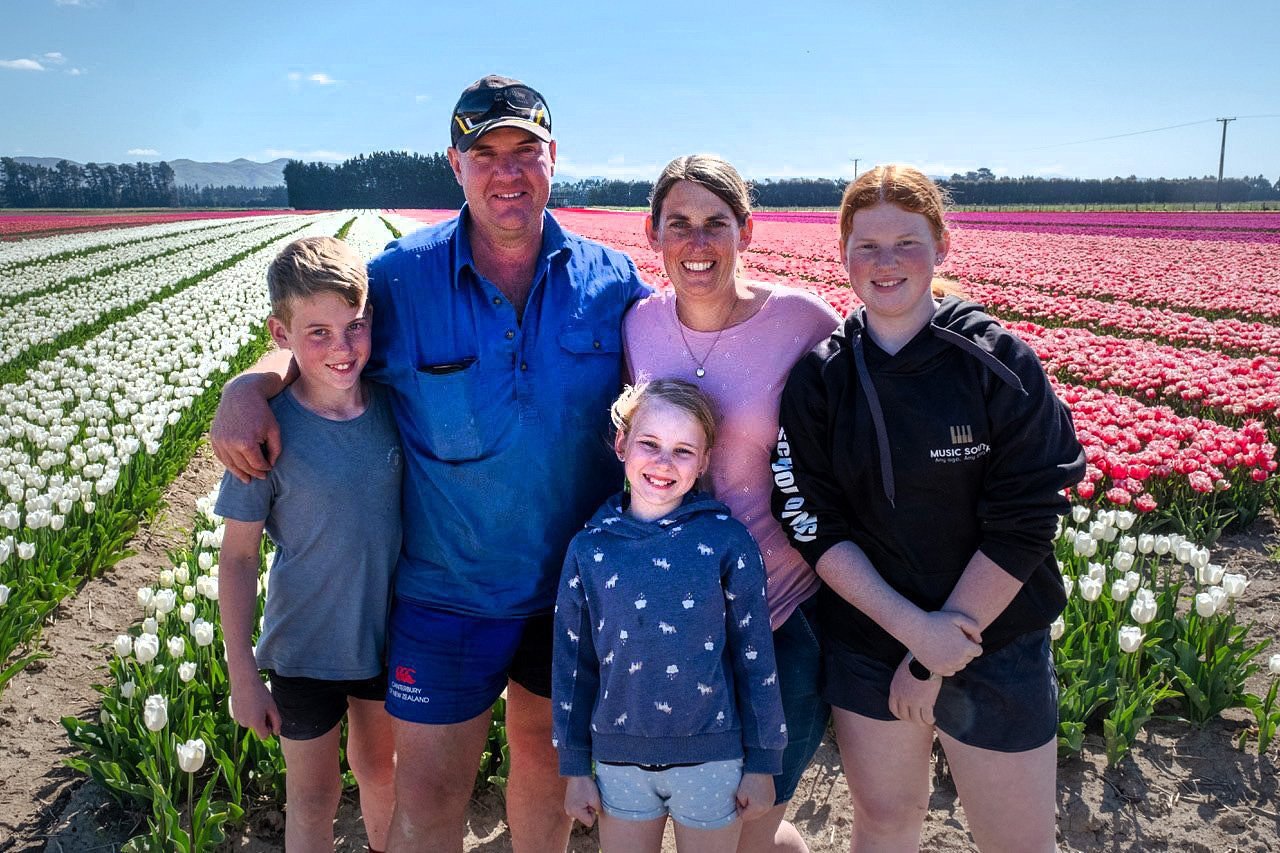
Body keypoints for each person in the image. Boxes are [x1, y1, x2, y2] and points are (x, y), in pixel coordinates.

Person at [210, 76, 650, 852]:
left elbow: (683, 360)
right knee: (431, 797)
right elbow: (328, 347)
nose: (507, 171)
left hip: (566, 592)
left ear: (556, 158)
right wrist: (250, 385)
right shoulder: (401, 281)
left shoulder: (609, 283)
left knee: (544, 789)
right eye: (485, 153)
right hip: (446, 593)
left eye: (526, 151)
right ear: (454, 164)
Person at [772, 164, 1086, 852]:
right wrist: (915, 632)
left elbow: (1028, 515)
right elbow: (811, 520)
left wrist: (942, 644)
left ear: (942, 245)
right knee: (885, 822)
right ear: (843, 254)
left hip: (994, 635)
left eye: (906, 242)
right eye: (867, 246)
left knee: (1017, 840)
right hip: (870, 638)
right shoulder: (822, 376)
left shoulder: (997, 361)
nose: (886, 263)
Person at [623, 155, 840, 853]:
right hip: (674, 622)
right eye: (679, 223)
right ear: (653, 232)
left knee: (749, 814)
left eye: (716, 223)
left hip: (780, 614)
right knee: (697, 813)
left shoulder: (804, 322)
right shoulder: (638, 326)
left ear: (746, 230)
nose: (698, 242)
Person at [216, 236, 400, 851]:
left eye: (354, 326)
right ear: (281, 332)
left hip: (386, 637)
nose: (342, 347)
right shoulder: (263, 433)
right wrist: (242, 673)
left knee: (382, 772)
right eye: (316, 332)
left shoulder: (395, 408)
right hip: (303, 648)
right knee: (313, 796)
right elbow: (238, 557)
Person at [553, 379, 787, 853]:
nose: (663, 463)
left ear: (704, 462)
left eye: (683, 450)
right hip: (619, 762)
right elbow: (573, 665)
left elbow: (756, 658)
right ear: (622, 445)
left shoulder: (726, 542)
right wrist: (576, 768)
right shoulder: (590, 549)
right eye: (649, 444)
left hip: (712, 758)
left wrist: (764, 763)